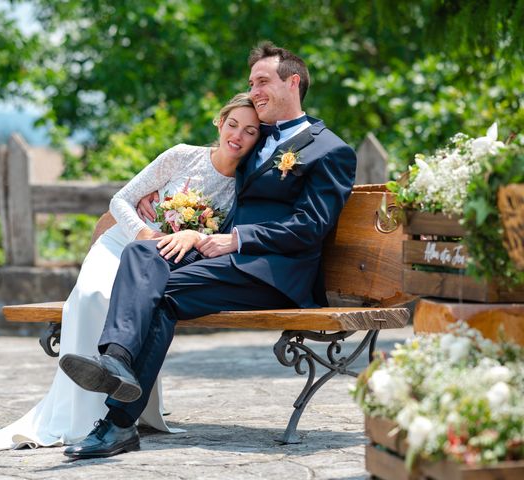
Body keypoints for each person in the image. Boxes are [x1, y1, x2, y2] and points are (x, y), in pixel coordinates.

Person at [59, 41, 357, 459]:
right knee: (143, 254)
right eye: (251, 83)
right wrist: (161, 199)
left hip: (273, 273)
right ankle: (116, 362)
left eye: (263, 81)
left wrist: (237, 240)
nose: (254, 90)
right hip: (225, 260)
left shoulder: (331, 150)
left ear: (293, 82)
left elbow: (311, 227)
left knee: (161, 295)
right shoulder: (257, 136)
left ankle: (118, 423)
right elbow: (216, 167)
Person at [0, 92, 261, 455]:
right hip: (121, 243)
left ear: (259, 139)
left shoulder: (243, 187)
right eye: (232, 124)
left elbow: (215, 240)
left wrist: (189, 234)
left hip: (160, 261)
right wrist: (143, 232)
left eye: (250, 131)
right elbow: (121, 200)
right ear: (219, 122)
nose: (238, 135)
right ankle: (86, 405)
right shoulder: (182, 156)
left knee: (129, 300)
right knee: (92, 296)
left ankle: (113, 410)